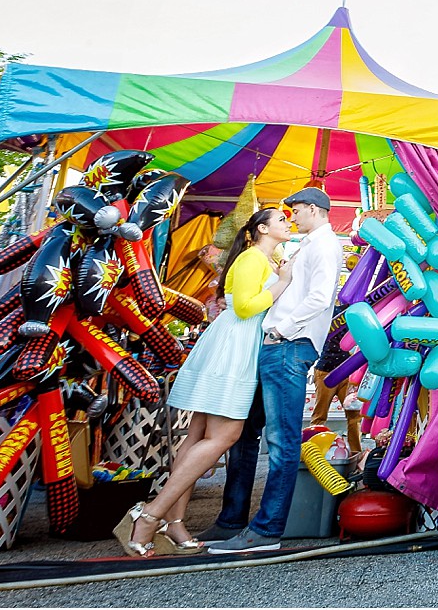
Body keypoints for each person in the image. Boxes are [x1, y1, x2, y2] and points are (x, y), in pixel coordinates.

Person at [118, 207, 295, 557]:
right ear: (262, 229)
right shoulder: (252, 259)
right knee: (224, 435)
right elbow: (246, 307)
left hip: (229, 345)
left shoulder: (261, 259)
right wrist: (283, 283)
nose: (287, 225)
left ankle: (175, 522)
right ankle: (149, 515)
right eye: (281, 221)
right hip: (235, 348)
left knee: (197, 435)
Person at [208, 187, 343, 554]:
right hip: (278, 345)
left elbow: (318, 297)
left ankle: (267, 529)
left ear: (314, 210)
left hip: (288, 345)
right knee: (245, 432)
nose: (292, 216)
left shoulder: (323, 245)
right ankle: (231, 520)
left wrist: (282, 329)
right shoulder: (308, 245)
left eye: (296, 210)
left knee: (281, 442)